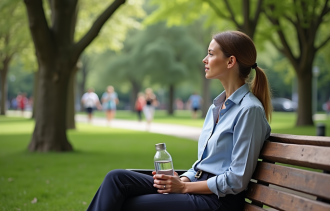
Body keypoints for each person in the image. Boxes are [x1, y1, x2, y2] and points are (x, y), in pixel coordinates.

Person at [86, 30, 272, 211]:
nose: (204, 60)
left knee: (129, 204)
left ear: (230, 61)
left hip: (217, 201)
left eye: (210, 54)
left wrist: (184, 188)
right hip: (196, 186)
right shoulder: (217, 106)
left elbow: (237, 179)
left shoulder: (249, 110)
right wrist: (183, 179)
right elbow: (203, 164)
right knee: (117, 178)